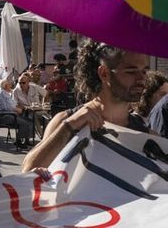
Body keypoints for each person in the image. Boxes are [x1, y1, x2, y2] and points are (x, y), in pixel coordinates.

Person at [22, 40, 150, 172]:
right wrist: (69, 127)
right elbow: (28, 170)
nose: (141, 79)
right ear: (104, 74)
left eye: (144, 72)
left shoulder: (145, 133)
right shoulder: (67, 121)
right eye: (131, 71)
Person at [0, 78, 35, 149]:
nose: (11, 86)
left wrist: (19, 106)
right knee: (26, 122)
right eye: (9, 84)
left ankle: (25, 140)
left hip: (5, 115)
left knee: (28, 120)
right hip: (5, 116)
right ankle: (19, 142)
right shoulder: (3, 93)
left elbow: (11, 103)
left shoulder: (2, 92)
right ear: (6, 86)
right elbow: (8, 107)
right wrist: (18, 109)